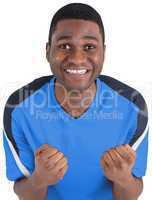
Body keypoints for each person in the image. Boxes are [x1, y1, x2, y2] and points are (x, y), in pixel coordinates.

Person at [3, 3, 148, 200]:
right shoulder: (18, 109)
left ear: (103, 53)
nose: (77, 59)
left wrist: (123, 179)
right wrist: (40, 179)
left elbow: (130, 194)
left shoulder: (133, 107)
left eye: (89, 47)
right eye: (64, 46)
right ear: (47, 51)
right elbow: (24, 192)